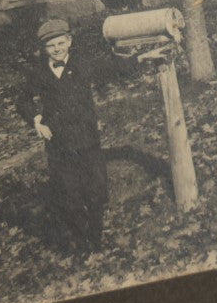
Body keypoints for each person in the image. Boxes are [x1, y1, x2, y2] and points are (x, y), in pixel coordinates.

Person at [12, 17, 136, 257]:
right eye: (51, 46)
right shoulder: (39, 73)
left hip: (87, 140)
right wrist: (36, 120)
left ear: (69, 41)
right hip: (58, 146)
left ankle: (96, 239)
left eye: (60, 43)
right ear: (44, 49)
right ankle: (82, 245)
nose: (57, 49)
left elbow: (113, 68)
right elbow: (22, 100)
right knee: (70, 196)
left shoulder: (82, 64)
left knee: (97, 191)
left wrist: (139, 58)